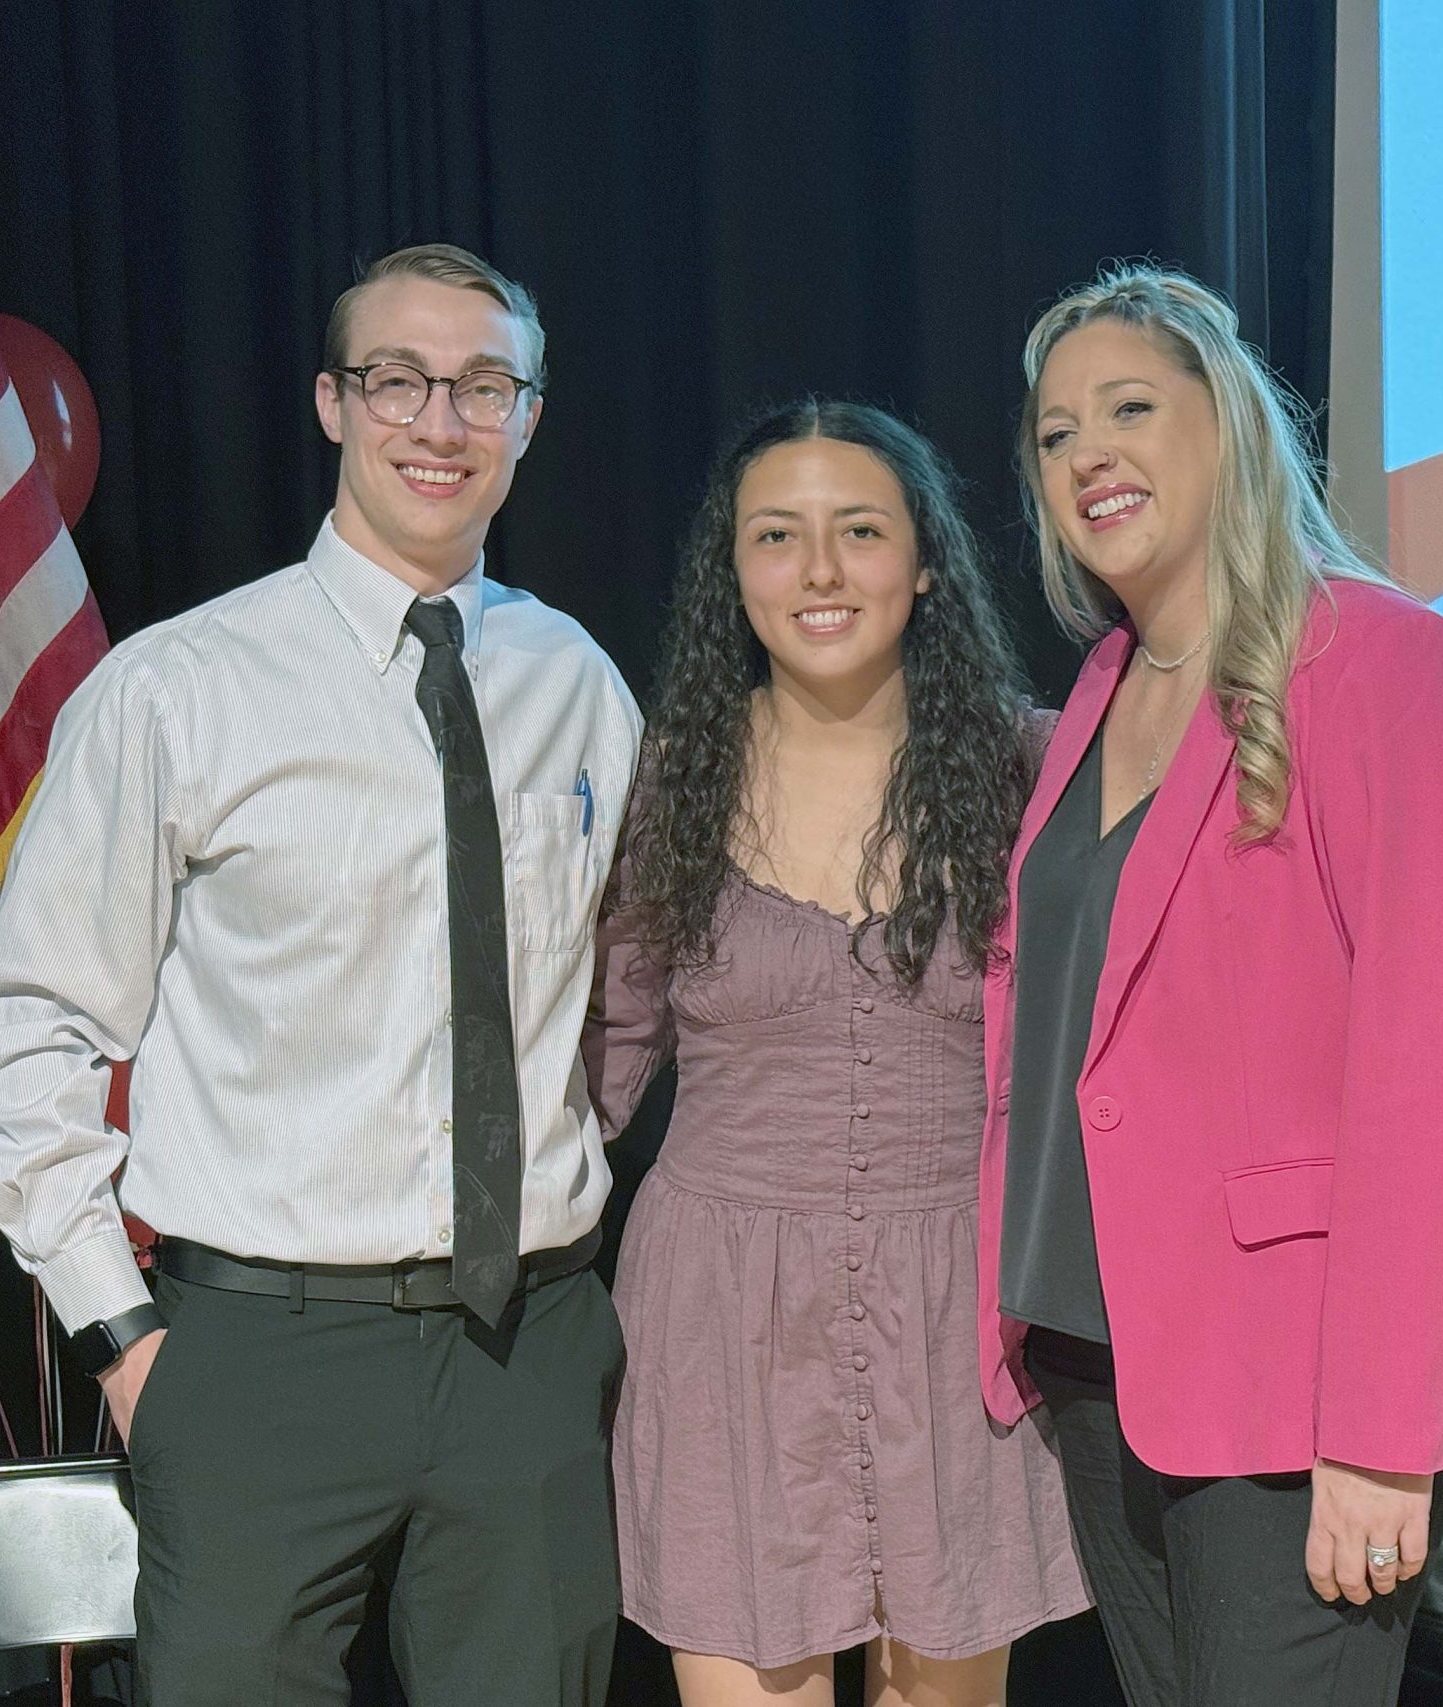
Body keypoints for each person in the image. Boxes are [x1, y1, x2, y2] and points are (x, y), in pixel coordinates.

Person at [0, 243, 642, 1707]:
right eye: (399, 380)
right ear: (334, 403)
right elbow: (27, 1032)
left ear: (531, 419)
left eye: (484, 386)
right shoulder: (178, 689)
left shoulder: (580, 685)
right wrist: (126, 1339)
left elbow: (615, 997)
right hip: (257, 1355)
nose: (439, 422)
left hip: (529, 1346)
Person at [976, 263, 1443, 1707]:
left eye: (1129, 408)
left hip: (1292, 1386)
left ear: (1230, 426)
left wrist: (1383, 1435)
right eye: (1056, 433)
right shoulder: (1100, 686)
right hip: (1095, 1360)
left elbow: (1439, 1071)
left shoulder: (1386, 662)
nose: (1088, 455)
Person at [586, 400, 1090, 1707]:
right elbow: (598, 1059)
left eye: (859, 531)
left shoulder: (1034, 767)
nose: (819, 571)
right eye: (779, 536)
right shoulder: (665, 785)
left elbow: (1189, 958)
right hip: (721, 1323)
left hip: (961, 1314)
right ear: (734, 572)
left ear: (924, 563)